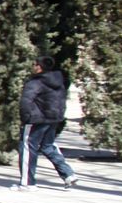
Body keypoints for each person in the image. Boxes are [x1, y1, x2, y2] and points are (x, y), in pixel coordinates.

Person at [16, 55, 79, 190]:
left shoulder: (35, 82)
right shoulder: (59, 81)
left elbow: (26, 101)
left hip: (36, 119)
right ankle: (68, 174)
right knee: (48, 146)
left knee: (27, 147)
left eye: (34, 64)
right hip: (53, 118)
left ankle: (27, 183)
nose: (33, 67)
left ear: (39, 67)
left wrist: (26, 118)